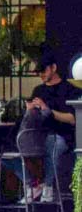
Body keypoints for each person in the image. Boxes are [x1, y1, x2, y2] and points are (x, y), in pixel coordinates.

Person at [26, 53, 81, 202]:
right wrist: (30, 109)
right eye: (39, 72)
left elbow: (73, 119)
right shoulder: (38, 90)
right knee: (12, 149)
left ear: (53, 68)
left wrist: (48, 111)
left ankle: (47, 186)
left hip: (61, 135)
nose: (41, 75)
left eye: (43, 71)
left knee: (52, 142)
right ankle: (34, 184)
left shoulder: (69, 89)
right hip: (38, 135)